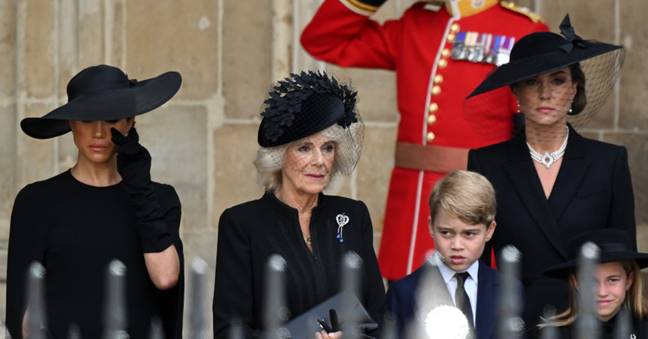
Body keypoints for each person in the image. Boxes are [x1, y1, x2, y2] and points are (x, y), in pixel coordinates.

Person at [300, 0, 548, 281]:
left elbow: (530, 132)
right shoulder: (416, 22)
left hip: (477, 201)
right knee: (403, 310)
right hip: (412, 207)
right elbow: (323, 40)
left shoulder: (521, 29)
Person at [466, 15, 633, 338]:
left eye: (557, 80)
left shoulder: (609, 162)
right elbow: (478, 266)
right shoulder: (487, 163)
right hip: (515, 323)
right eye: (531, 81)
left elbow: (624, 263)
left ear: (574, 89)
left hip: (591, 325)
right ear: (515, 91)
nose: (545, 93)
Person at [6, 65, 184, 338]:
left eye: (111, 118)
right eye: (88, 119)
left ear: (130, 123)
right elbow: (22, 310)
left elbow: (166, 278)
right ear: (72, 123)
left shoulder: (158, 198)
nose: (99, 132)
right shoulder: (37, 201)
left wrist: (139, 187)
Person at [212, 71, 385, 339]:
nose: (320, 161)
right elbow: (229, 331)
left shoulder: (352, 215)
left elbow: (380, 319)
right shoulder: (242, 224)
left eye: (327, 148)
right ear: (279, 156)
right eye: (305, 148)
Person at [386, 170, 500, 339]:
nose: (457, 245)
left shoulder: (508, 289)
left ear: (489, 230)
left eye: (469, 234)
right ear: (431, 226)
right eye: (446, 233)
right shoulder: (403, 293)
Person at [540, 229, 648, 338]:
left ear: (629, 281)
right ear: (575, 283)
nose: (602, 292)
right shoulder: (556, 334)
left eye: (613, 280)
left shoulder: (644, 328)